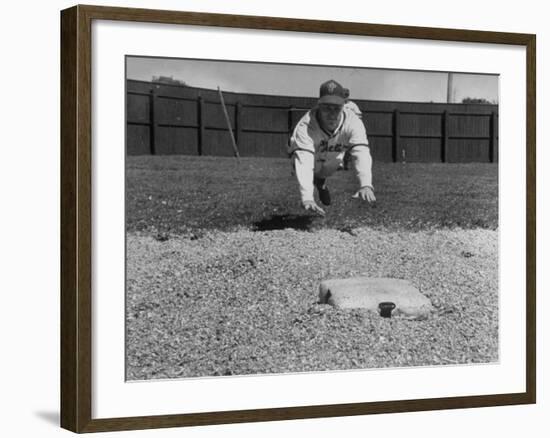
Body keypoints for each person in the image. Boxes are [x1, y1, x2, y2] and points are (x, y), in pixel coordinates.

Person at [288, 79, 375, 216]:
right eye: (326, 107)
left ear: (344, 106)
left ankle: (320, 183)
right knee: (305, 167)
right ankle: (317, 181)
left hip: (334, 150)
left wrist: (365, 184)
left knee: (328, 169)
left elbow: (361, 152)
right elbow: (304, 162)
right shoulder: (306, 126)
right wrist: (307, 198)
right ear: (319, 105)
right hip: (310, 150)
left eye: (336, 108)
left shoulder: (353, 121)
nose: (332, 113)